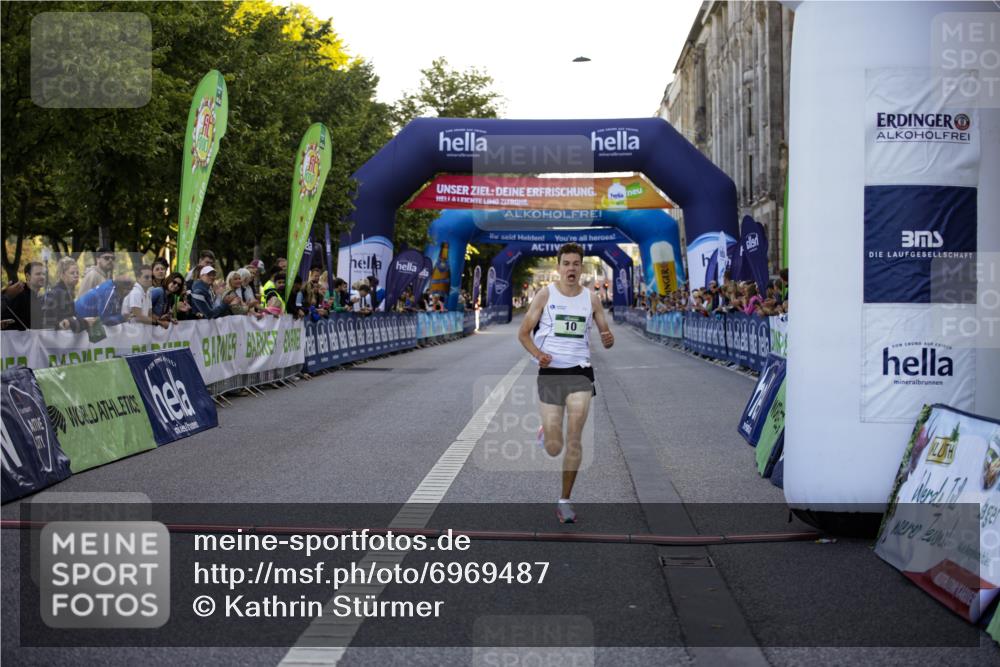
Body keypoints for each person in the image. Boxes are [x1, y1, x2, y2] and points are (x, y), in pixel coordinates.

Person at [517, 243, 614, 524]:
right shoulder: (545, 295)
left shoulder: (592, 299)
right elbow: (523, 334)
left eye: (576, 263)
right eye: (566, 263)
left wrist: (608, 339)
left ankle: (565, 501)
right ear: (559, 268)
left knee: (574, 437)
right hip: (551, 373)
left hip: (581, 372)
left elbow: (606, 335)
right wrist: (538, 355)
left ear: (581, 268)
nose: (571, 268)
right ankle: (546, 432)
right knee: (554, 447)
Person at [42, 257, 88, 331]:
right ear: (62, 274)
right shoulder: (57, 293)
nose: (76, 275)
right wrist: (86, 322)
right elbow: (50, 322)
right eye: (72, 273)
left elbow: (70, 318)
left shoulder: (67, 292)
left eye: (77, 273)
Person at [2, 261, 47, 329]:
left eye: (44, 274)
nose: (42, 277)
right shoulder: (18, 294)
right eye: (38, 274)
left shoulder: (39, 298)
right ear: (27, 276)